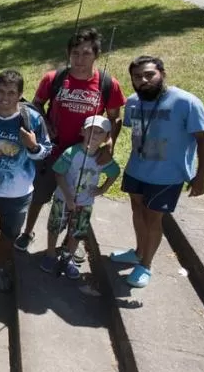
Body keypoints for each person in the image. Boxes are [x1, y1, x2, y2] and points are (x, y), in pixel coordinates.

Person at [17, 28, 126, 257]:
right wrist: (46, 124)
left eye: (86, 53)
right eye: (75, 53)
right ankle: (28, 232)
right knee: (39, 195)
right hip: (52, 152)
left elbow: (115, 118)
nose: (79, 59)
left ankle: (69, 243)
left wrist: (109, 146)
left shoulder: (108, 84)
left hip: (85, 156)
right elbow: (36, 105)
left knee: (78, 200)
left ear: (96, 55)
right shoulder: (53, 79)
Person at [110, 56, 204, 289]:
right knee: (137, 210)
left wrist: (202, 175)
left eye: (149, 74)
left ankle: (146, 265)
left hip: (167, 176)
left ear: (162, 74)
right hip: (136, 169)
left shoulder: (186, 102)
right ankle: (138, 252)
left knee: (153, 218)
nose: (143, 80)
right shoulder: (134, 102)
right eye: (137, 77)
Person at [0, 70, 52, 293]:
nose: (5, 98)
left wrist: (33, 146)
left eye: (11, 93)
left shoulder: (32, 119)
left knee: (8, 236)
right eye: (1, 92)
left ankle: (0, 269)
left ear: (20, 95)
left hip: (17, 194)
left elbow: (45, 151)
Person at [40, 115, 120, 280]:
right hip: (63, 199)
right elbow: (59, 174)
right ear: (82, 131)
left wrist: (102, 189)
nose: (94, 135)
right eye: (91, 130)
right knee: (55, 226)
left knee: (77, 232)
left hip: (85, 202)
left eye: (100, 132)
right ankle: (49, 255)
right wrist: (69, 197)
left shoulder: (103, 158)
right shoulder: (71, 152)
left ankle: (67, 258)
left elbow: (115, 172)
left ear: (106, 138)